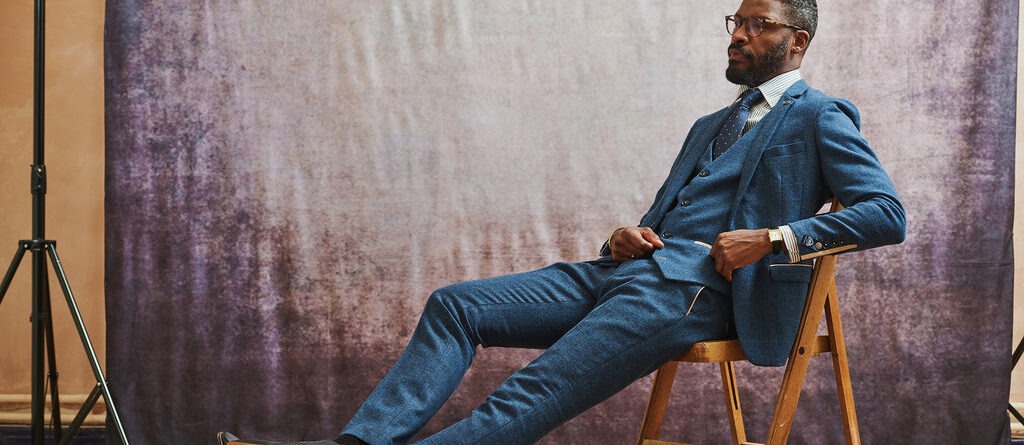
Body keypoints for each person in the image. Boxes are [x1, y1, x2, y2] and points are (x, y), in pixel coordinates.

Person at [218, 0, 905, 443]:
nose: (740, 35)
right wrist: (622, 236)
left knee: (533, 388)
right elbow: (671, 211)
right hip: (630, 269)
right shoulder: (710, 123)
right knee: (456, 306)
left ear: (799, 39)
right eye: (736, 22)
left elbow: (886, 212)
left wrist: (777, 239)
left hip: (699, 290)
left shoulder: (819, 114)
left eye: (758, 25)